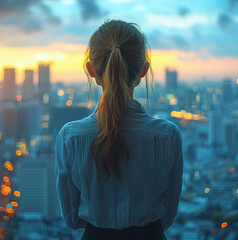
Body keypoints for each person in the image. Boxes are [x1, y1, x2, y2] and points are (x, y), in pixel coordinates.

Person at [55, 19, 183, 240]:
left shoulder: (71, 137)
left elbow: (72, 218)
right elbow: (168, 216)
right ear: (143, 70)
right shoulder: (167, 136)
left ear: (91, 71)